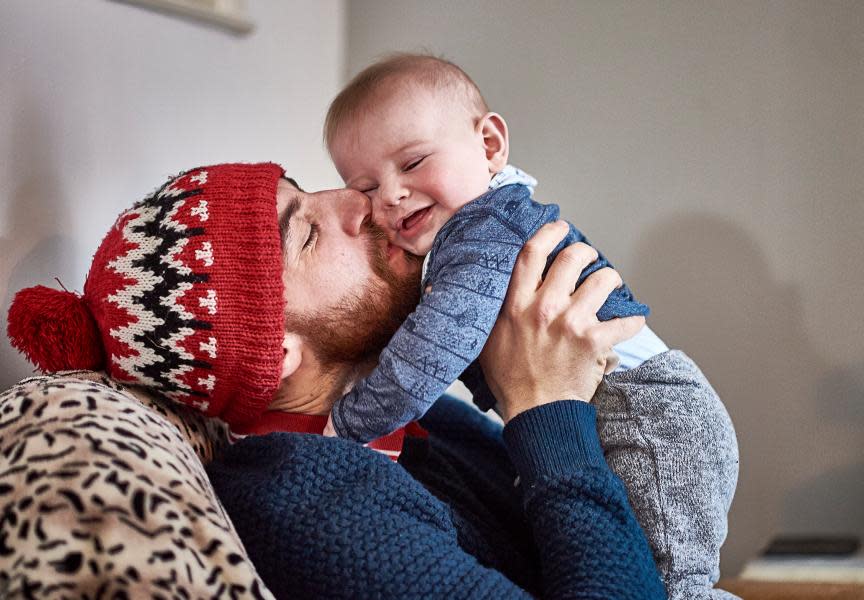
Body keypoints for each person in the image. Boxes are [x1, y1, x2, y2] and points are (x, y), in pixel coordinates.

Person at [3, 163, 662, 598]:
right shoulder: (310, 508)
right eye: (309, 234)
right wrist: (546, 408)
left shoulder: (409, 419)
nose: (362, 201)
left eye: (310, 190)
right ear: (275, 351)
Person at [322, 53, 739, 597]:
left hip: (649, 414)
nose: (392, 194)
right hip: (604, 416)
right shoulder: (456, 240)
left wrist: (347, 424)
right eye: (367, 188)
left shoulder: (485, 228)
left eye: (414, 161)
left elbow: (430, 350)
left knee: (671, 584)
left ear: (489, 145)